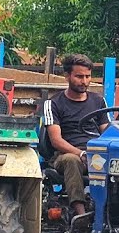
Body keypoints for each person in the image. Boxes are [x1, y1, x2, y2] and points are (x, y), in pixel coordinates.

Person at [41, 54, 108, 216]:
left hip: (95, 154)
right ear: (67, 76)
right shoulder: (53, 104)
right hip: (65, 155)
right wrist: (82, 153)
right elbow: (56, 140)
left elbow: (107, 132)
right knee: (72, 160)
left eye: (88, 76)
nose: (84, 81)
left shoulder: (99, 101)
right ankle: (81, 215)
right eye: (79, 76)